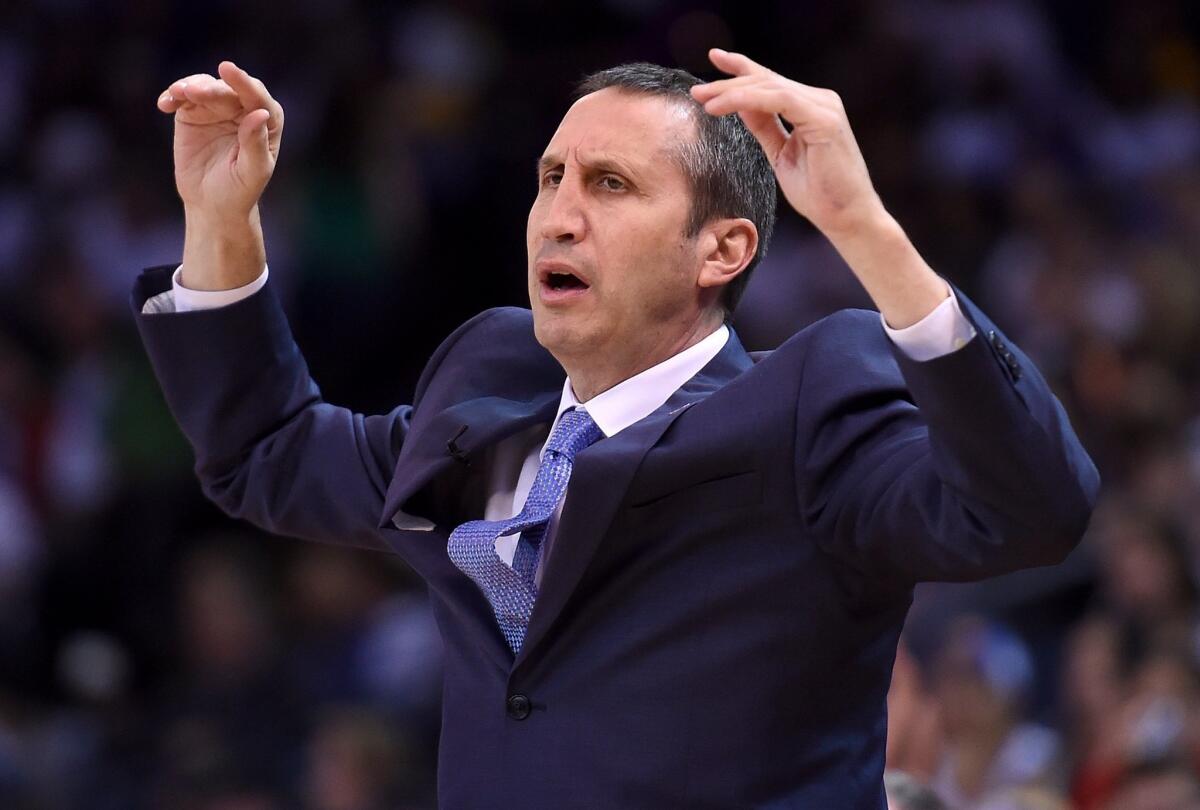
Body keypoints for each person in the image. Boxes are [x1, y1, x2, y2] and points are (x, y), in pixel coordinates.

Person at [132, 49, 1099, 808]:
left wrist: (867, 234)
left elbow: (1031, 509)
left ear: (722, 249)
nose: (557, 214)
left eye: (610, 185)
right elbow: (269, 455)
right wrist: (220, 225)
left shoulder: (804, 414)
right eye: (551, 177)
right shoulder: (483, 402)